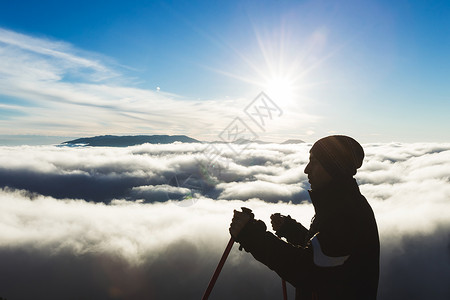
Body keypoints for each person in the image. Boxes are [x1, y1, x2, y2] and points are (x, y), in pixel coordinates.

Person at [229, 135, 380, 300]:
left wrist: (252, 236)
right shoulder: (339, 205)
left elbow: (310, 272)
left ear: (333, 168)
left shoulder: (346, 213)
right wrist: (291, 230)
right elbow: (326, 252)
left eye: (314, 161)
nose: (306, 169)